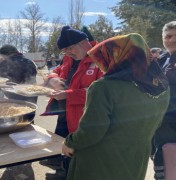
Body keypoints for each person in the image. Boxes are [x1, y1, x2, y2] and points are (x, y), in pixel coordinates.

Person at [62, 33, 170, 180]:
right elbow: (156, 124)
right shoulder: (162, 87)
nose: (102, 64)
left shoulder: (103, 87)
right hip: (136, 159)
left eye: (104, 58)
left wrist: (69, 142)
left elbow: (91, 132)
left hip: (100, 164)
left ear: (117, 56)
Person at [41, 26, 103, 179]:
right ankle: (64, 172)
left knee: (83, 157)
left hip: (86, 119)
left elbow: (102, 92)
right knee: (65, 151)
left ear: (83, 42)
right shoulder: (70, 58)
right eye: (64, 51)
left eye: (69, 49)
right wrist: (52, 79)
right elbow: (57, 70)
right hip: (64, 115)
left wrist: (68, 95)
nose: (67, 53)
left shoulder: (101, 57)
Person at [152, 20, 176, 180]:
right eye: (168, 36)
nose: (172, 40)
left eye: (175, 36)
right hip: (161, 122)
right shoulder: (162, 59)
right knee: (161, 162)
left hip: (172, 121)